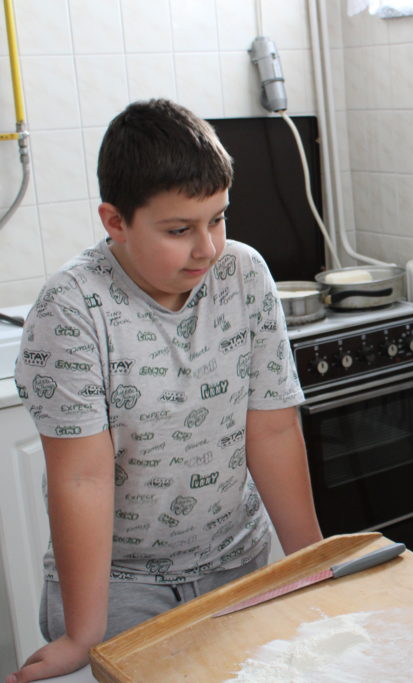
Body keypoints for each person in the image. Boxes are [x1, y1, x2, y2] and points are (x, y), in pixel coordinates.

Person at [8, 99, 323, 683]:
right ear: (115, 222)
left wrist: (310, 562)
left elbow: (274, 431)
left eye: (218, 219)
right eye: (180, 230)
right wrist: (83, 635)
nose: (207, 247)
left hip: (237, 561)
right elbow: (82, 479)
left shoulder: (244, 276)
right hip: (120, 587)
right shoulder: (72, 310)